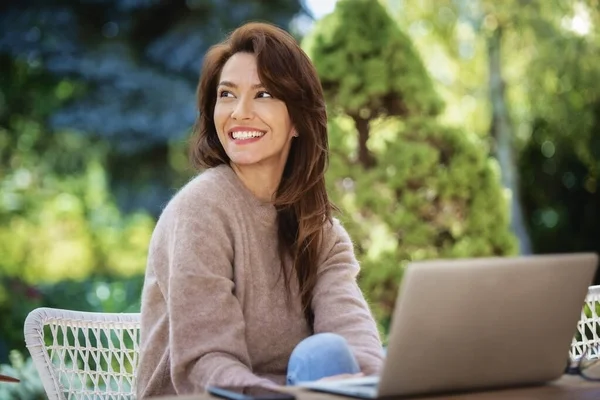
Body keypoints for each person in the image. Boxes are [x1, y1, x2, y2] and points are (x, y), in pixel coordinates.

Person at [136, 21, 384, 398]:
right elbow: (207, 363)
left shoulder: (321, 231)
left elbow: (356, 344)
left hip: (299, 394)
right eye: (227, 94)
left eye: (264, 94)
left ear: (299, 119)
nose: (240, 112)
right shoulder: (200, 210)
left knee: (330, 353)